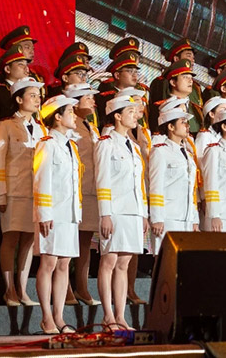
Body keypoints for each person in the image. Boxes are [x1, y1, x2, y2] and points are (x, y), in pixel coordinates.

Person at [95, 94, 148, 332]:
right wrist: (105, 213)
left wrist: (143, 214)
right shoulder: (106, 143)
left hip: (132, 210)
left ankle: (120, 315)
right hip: (115, 210)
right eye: (130, 112)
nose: (135, 116)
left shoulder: (134, 146)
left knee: (124, 263)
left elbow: (139, 183)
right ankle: (108, 315)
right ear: (117, 116)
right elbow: (102, 180)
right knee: (109, 260)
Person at [0, 77, 45, 307]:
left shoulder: (42, 128)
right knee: (11, 238)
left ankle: (22, 289)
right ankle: (9, 289)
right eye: (32, 96)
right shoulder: (5, 125)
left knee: (29, 241)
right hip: (13, 190)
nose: (37, 100)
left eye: (38, 96)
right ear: (19, 99)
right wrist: (0, 193)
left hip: (34, 193)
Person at [32, 95, 82, 335]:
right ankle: (46, 317)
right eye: (70, 111)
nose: (75, 115)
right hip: (52, 212)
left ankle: (60, 317)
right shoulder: (47, 144)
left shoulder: (71, 146)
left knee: (64, 264)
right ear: (58, 117)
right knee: (49, 262)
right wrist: (44, 213)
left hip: (69, 212)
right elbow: (41, 179)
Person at [65, 82, 101, 306]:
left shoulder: (92, 127)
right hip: (74, 189)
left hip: (90, 189)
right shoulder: (69, 125)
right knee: (69, 240)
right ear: (75, 103)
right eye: (88, 98)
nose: (93, 101)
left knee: (85, 240)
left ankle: (82, 287)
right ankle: (66, 288)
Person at [148, 105, 201, 254]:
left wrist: (194, 219)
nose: (187, 126)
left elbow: (191, 190)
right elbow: (156, 186)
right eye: (182, 122)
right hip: (168, 216)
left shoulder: (187, 154)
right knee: (164, 260)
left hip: (186, 217)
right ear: (171, 127)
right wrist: (157, 218)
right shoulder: (160, 151)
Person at [0, 45, 31, 124]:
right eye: (21, 65)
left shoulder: (30, 90)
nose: (26, 68)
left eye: (26, 65)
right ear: (7, 69)